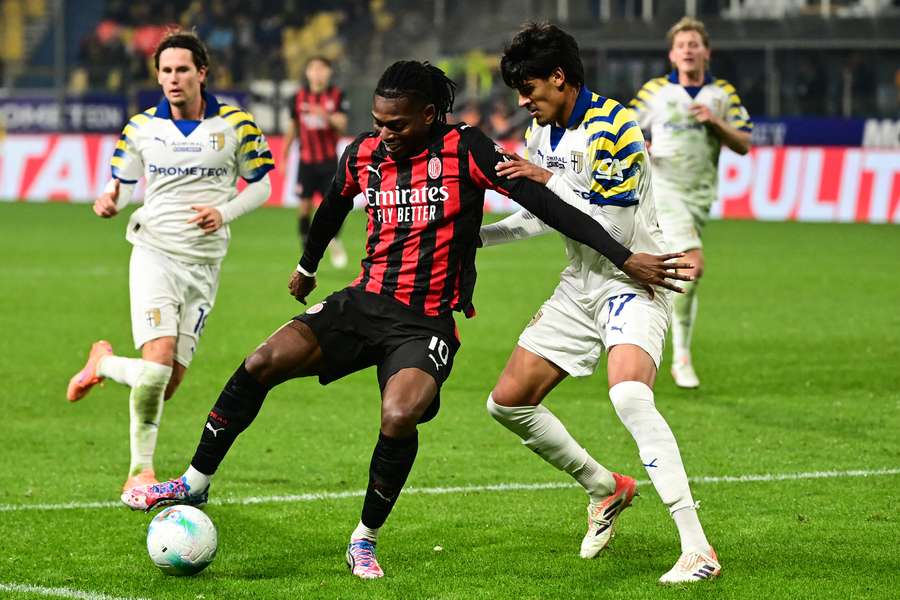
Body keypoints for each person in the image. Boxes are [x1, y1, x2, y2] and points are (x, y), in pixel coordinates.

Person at [121, 60, 687, 580]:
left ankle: (364, 539)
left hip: (426, 323)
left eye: (396, 124)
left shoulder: (467, 148)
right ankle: (194, 483)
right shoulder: (365, 152)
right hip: (363, 302)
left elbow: (548, 208)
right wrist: (307, 265)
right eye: (378, 122)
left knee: (399, 414)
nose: (384, 133)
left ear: (429, 114)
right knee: (260, 361)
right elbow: (333, 202)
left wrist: (623, 257)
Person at [478, 22, 720, 584]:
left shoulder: (615, 126)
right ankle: (604, 488)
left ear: (560, 78)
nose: (523, 102)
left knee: (630, 396)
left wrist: (548, 179)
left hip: (634, 278)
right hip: (579, 284)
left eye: (529, 89)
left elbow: (612, 227)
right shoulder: (542, 133)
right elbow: (543, 217)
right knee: (507, 404)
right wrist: (479, 239)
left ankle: (697, 549)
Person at [65, 31, 274, 492]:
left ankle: (102, 364)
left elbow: (262, 184)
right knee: (156, 368)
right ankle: (139, 472)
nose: (173, 78)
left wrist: (224, 212)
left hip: (204, 265)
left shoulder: (236, 125)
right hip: (155, 251)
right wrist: (110, 200)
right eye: (165, 71)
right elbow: (123, 185)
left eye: (182, 69)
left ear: (202, 72)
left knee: (165, 384)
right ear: (157, 76)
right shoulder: (141, 128)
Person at [629, 17, 752, 388]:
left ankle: (646, 328)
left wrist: (715, 122)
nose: (688, 50)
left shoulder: (722, 94)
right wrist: (641, 145)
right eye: (681, 45)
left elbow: (743, 143)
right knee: (692, 266)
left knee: (679, 273)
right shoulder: (656, 91)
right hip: (663, 188)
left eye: (694, 44)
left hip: (699, 195)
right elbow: (626, 128)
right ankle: (680, 357)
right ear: (672, 54)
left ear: (706, 52)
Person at [282, 56, 349, 268]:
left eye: (322, 68)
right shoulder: (297, 97)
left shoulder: (337, 95)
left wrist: (325, 115)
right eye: (313, 68)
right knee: (304, 207)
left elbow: (342, 126)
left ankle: (334, 241)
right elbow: (292, 128)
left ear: (329, 72)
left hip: (329, 162)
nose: (318, 72)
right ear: (307, 73)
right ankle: (307, 252)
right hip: (306, 161)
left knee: (332, 206)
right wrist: (283, 157)